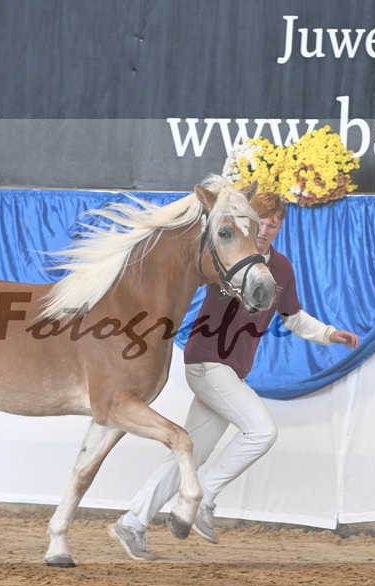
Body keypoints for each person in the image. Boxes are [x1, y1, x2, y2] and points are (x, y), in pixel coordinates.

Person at [109, 191, 359, 560]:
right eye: (261, 223)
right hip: (207, 361)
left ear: (279, 229)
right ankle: (203, 497)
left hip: (231, 370)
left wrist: (327, 334)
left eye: (274, 226)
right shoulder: (228, 255)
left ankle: (132, 522)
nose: (266, 231)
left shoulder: (283, 269)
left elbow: (292, 317)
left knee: (188, 456)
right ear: (247, 223)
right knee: (262, 431)